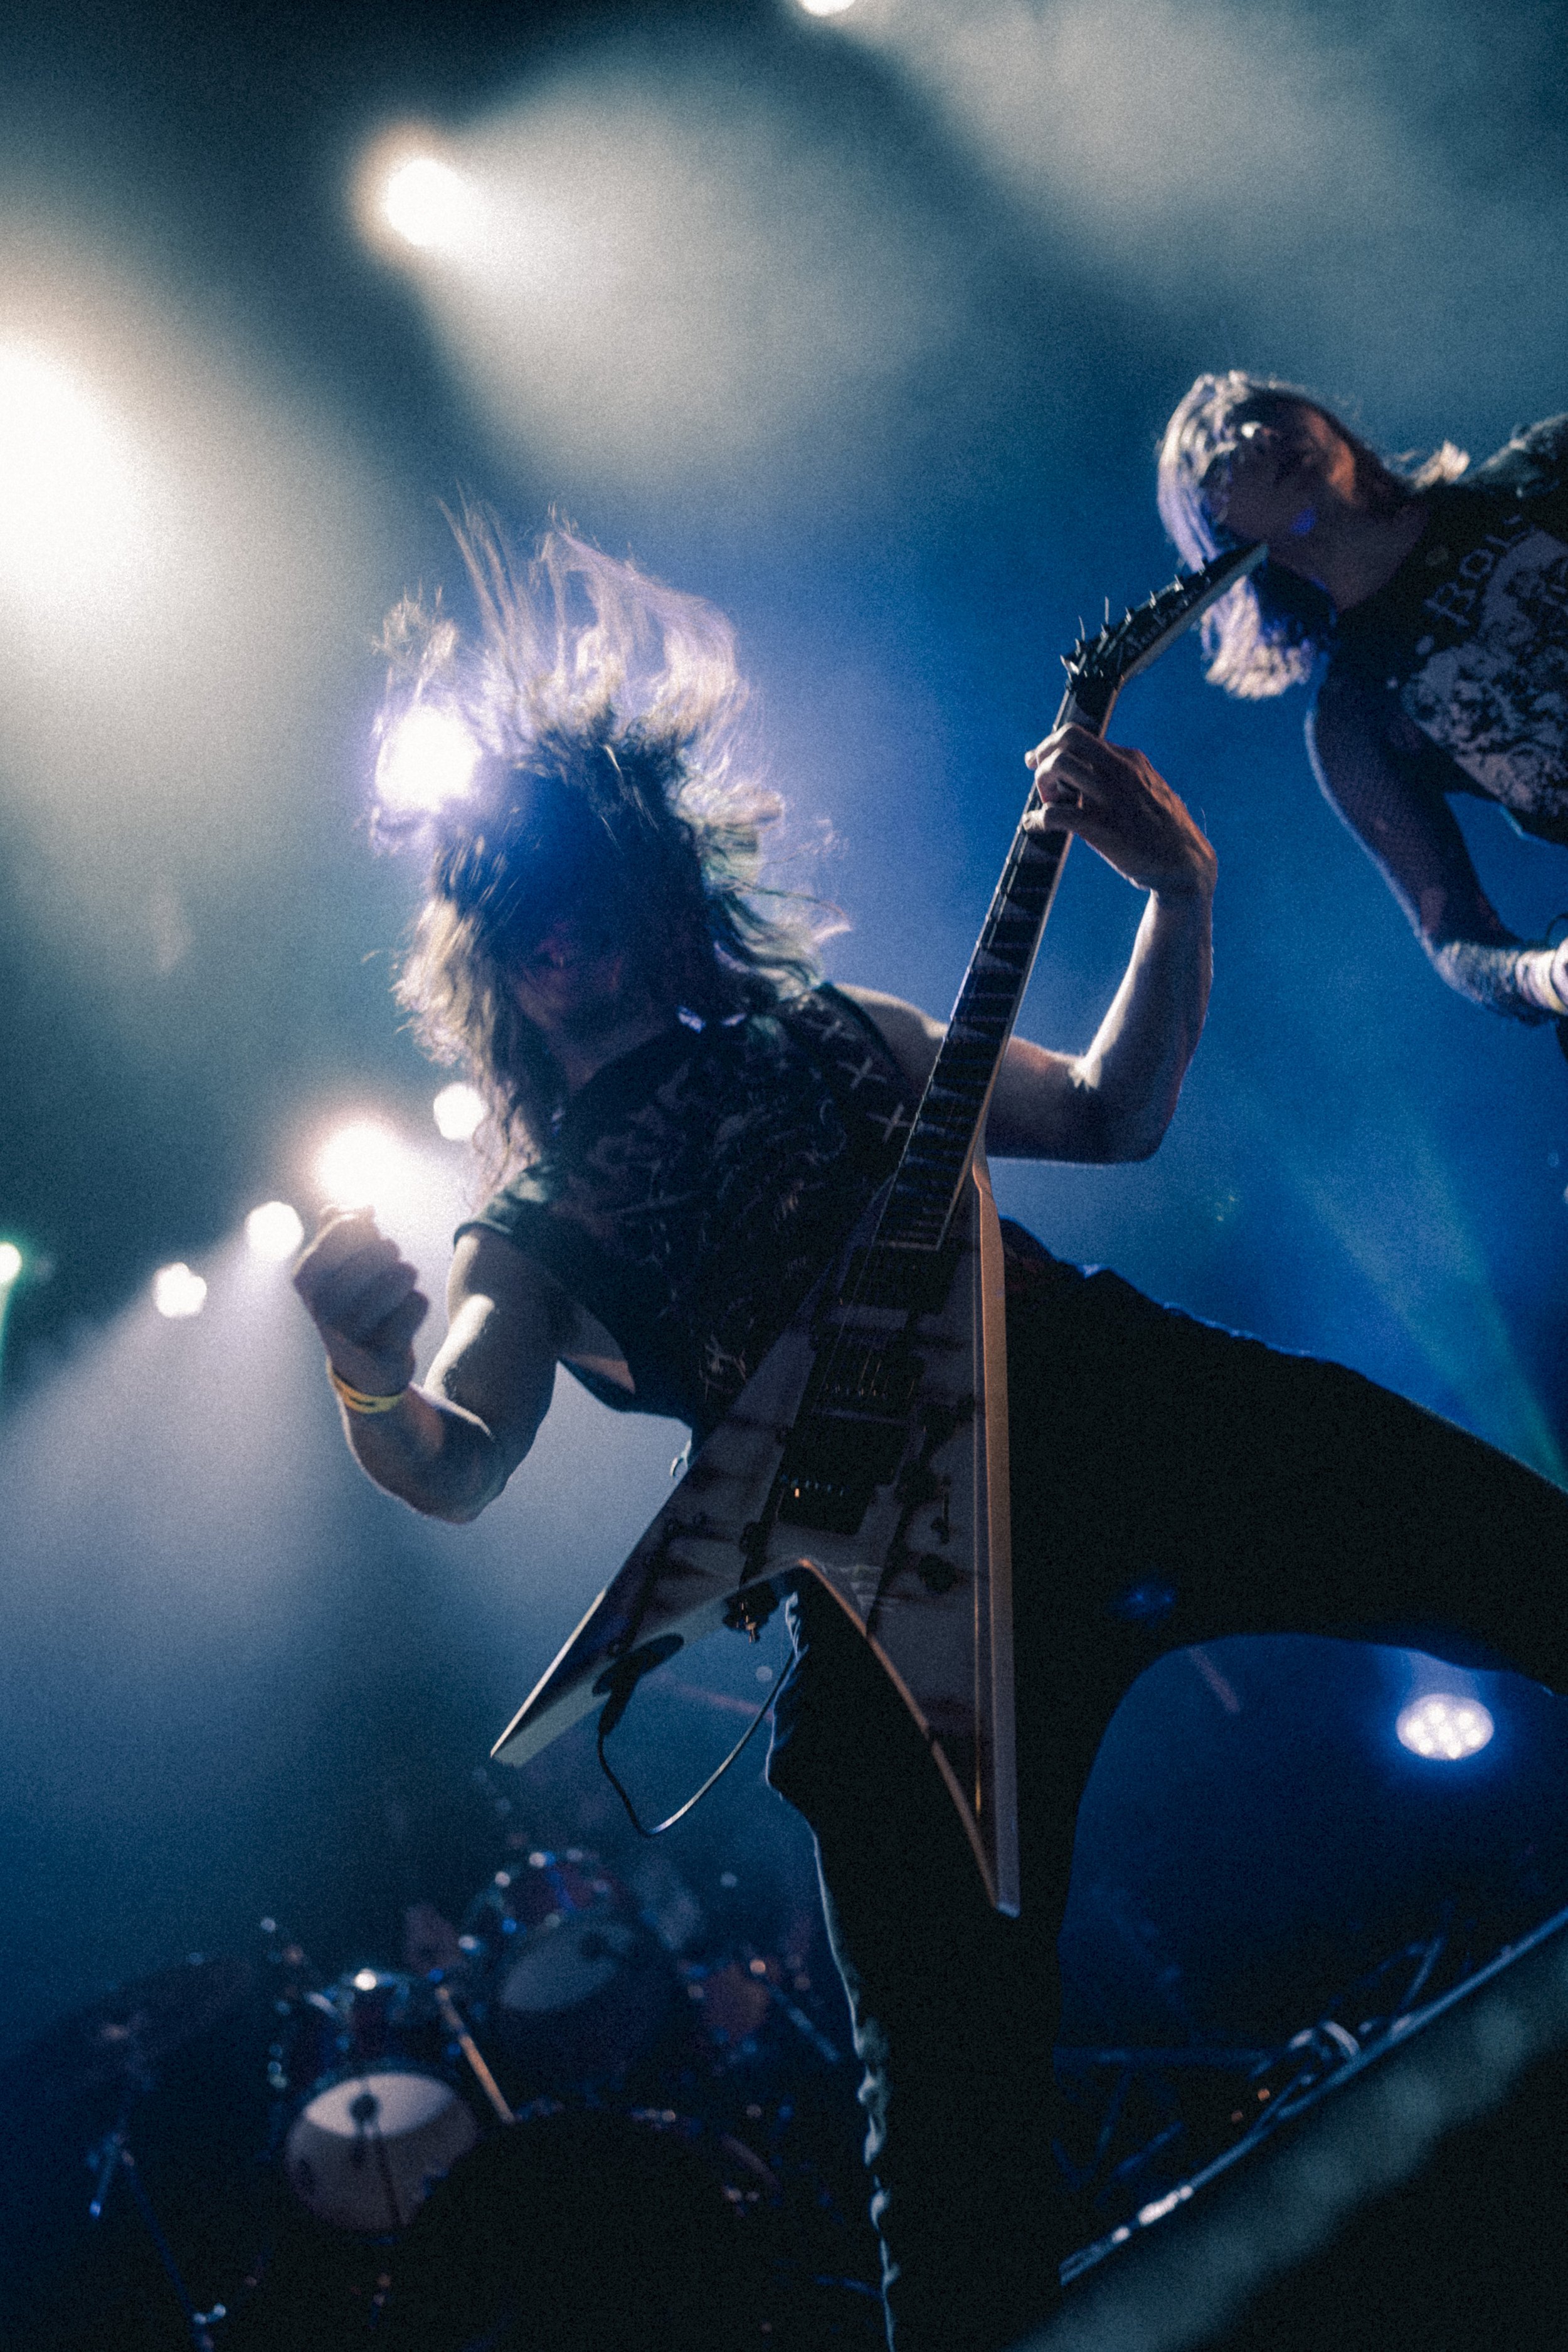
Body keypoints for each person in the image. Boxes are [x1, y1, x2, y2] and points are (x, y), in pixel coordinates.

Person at [295, 527, 1568, 2352]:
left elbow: (1115, 1114)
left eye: (577, 884)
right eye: (515, 904)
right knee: (956, 2156)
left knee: (1520, 1562)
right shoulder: (533, 1221)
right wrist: (359, 1364)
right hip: (884, 1602)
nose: (554, 926)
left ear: (659, 892)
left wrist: (1178, 896)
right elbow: (450, 1457)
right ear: (488, 953)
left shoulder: (837, 1030)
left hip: (1111, 1401)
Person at [1158, 373, 1568, 1046]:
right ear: (1218, 533)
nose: (1258, 436)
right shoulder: (1353, 724)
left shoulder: (1543, 465)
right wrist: (1547, 977)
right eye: (1218, 451)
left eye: (1260, 412)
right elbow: (1454, 936)